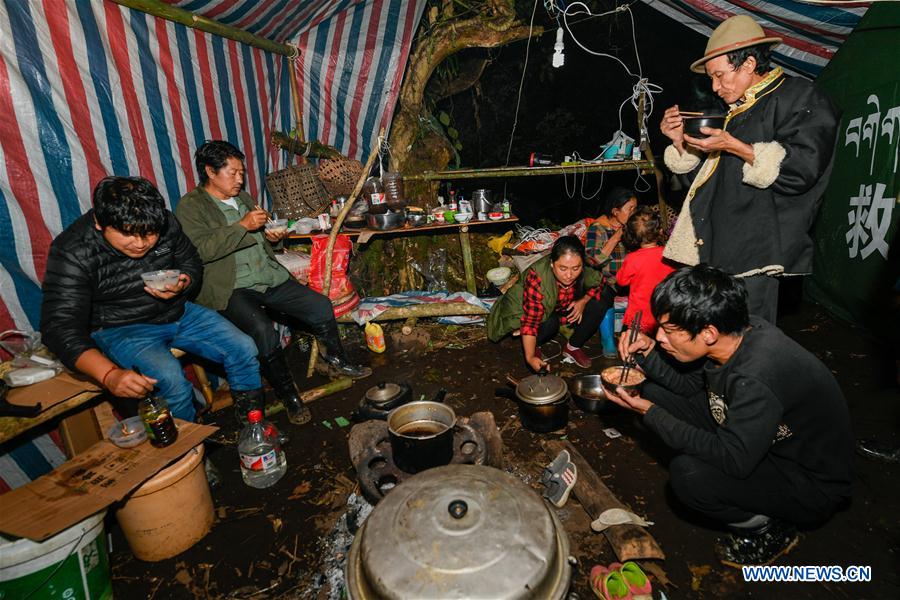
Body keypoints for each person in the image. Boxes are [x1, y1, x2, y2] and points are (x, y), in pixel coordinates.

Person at [608, 265, 853, 566]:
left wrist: (650, 413)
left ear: (708, 332)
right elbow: (689, 386)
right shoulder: (738, 333)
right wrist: (646, 354)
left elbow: (734, 460)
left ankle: (767, 529)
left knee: (689, 475)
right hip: (764, 443)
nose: (659, 336)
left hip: (806, 481)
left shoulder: (756, 376)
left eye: (670, 331)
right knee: (653, 393)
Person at [175, 141, 371, 426]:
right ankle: (289, 395)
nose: (240, 179)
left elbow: (258, 236)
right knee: (263, 331)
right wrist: (242, 226)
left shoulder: (241, 196)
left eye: (241, 172)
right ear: (210, 172)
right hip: (232, 285)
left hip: (267, 275)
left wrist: (271, 237)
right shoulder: (191, 206)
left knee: (319, 306)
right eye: (233, 173)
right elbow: (201, 250)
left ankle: (337, 361)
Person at [659, 15, 839, 323]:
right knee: (718, 339)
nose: (715, 87)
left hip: (758, 252)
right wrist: (680, 144)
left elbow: (802, 170)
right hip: (720, 248)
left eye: (719, 75)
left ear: (748, 64)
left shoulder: (800, 96)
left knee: (749, 341)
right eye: (711, 79)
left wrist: (736, 146)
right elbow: (707, 184)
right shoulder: (739, 112)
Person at [40, 176, 264, 424]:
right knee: (172, 382)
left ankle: (253, 429)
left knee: (244, 348)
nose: (141, 243)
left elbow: (191, 261)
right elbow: (59, 326)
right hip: (122, 328)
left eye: (150, 234)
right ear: (99, 222)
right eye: (128, 234)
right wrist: (109, 375)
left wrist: (184, 283)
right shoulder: (74, 250)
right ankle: (190, 453)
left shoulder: (165, 221)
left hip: (178, 311)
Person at [487, 236, 605, 369]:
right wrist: (530, 357)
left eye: (576, 268)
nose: (569, 275)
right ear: (551, 263)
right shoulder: (537, 276)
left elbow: (599, 283)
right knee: (550, 323)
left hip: (563, 306)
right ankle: (535, 344)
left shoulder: (587, 266)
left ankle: (572, 347)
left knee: (601, 300)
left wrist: (583, 301)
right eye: (563, 268)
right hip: (533, 309)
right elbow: (531, 321)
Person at [616, 206, 675, 334]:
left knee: (634, 347)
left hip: (639, 315)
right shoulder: (668, 255)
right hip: (663, 312)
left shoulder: (632, 258)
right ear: (659, 231)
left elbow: (621, 281)